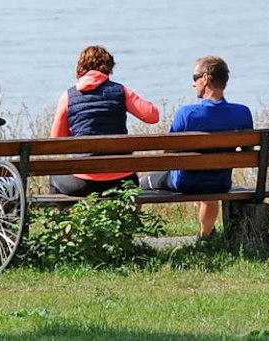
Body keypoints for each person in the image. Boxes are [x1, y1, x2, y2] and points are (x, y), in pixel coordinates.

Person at [154, 54, 253, 238]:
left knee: (140, 184)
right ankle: (205, 236)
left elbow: (167, 155)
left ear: (206, 78)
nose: (193, 84)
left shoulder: (187, 113)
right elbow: (248, 152)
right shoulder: (242, 113)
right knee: (210, 189)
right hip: (221, 182)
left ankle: (126, 240)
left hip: (186, 183)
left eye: (195, 78)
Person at [47, 45, 159, 197]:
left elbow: (57, 140)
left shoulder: (68, 96)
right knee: (132, 184)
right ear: (109, 68)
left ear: (80, 68)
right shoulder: (121, 91)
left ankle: (67, 220)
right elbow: (153, 116)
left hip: (83, 182)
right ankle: (131, 219)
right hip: (121, 180)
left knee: (55, 178)